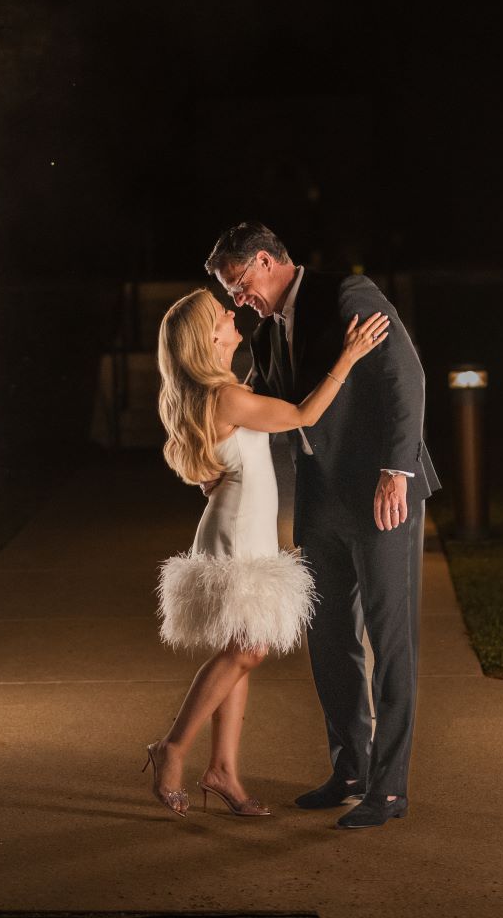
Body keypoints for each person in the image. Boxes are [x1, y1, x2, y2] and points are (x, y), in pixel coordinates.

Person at [206, 222, 440, 830]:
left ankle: (388, 789)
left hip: (381, 495)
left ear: (264, 260)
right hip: (318, 500)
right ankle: (350, 769)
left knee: (390, 642)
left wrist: (398, 469)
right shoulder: (263, 332)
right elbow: (272, 407)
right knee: (328, 636)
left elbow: (405, 377)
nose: (238, 299)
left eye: (238, 283)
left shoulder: (348, 296)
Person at [144, 287, 391, 818]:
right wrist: (347, 357)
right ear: (207, 339)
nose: (232, 314)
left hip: (240, 525)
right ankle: (173, 748)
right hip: (238, 533)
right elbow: (303, 414)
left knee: (242, 650)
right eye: (221, 315)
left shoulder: (221, 392)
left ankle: (223, 770)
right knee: (249, 650)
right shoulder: (227, 398)